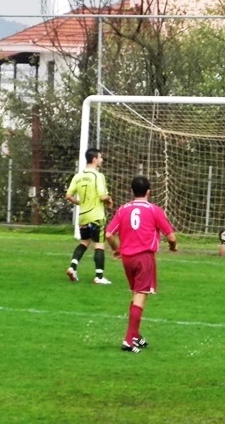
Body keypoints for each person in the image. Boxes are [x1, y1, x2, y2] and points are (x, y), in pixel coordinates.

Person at [105, 176, 178, 353]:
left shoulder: (123, 209)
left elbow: (108, 234)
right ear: (149, 192)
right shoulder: (154, 210)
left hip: (127, 259)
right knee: (141, 295)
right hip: (144, 257)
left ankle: (136, 335)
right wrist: (173, 247)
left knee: (137, 293)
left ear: (131, 192)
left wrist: (116, 249)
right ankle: (129, 340)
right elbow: (171, 237)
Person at [65, 148, 114, 284]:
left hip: (83, 216)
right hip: (96, 215)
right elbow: (103, 196)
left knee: (84, 242)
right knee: (99, 245)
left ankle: (72, 267)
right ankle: (99, 276)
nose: (102, 160)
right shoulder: (98, 176)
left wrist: (80, 203)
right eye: (100, 157)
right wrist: (109, 200)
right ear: (94, 159)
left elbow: (68, 195)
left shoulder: (78, 176)